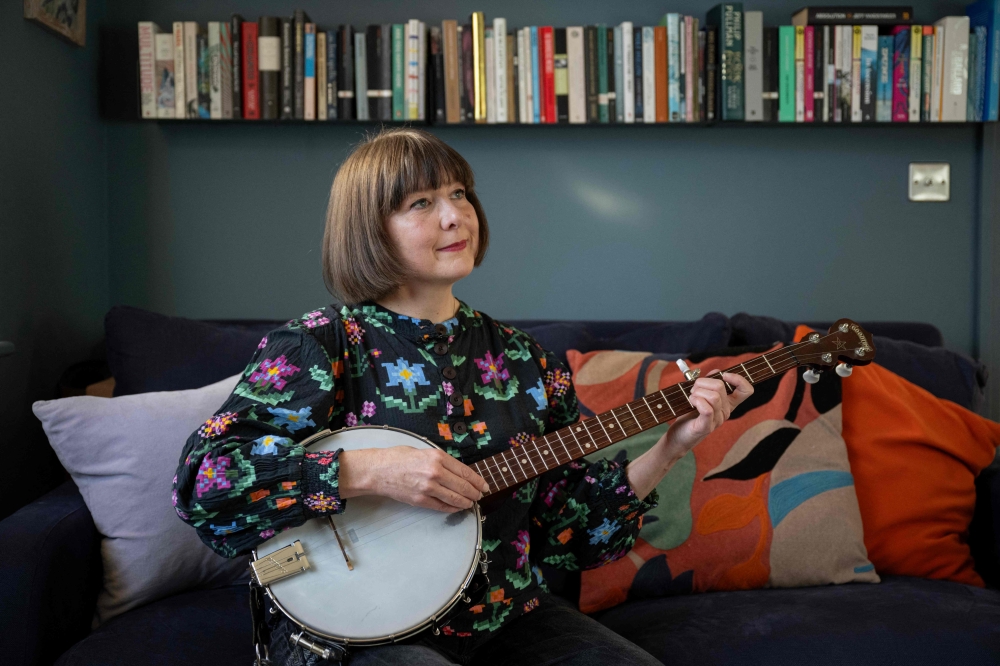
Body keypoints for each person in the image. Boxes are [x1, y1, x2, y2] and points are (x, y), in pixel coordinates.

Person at [172, 128, 753, 666]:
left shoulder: (524, 360)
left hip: (502, 614)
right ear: (369, 228)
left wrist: (671, 447)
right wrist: (369, 471)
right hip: (347, 627)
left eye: (459, 193)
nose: (456, 216)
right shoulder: (318, 345)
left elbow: (568, 535)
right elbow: (207, 486)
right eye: (421, 203)